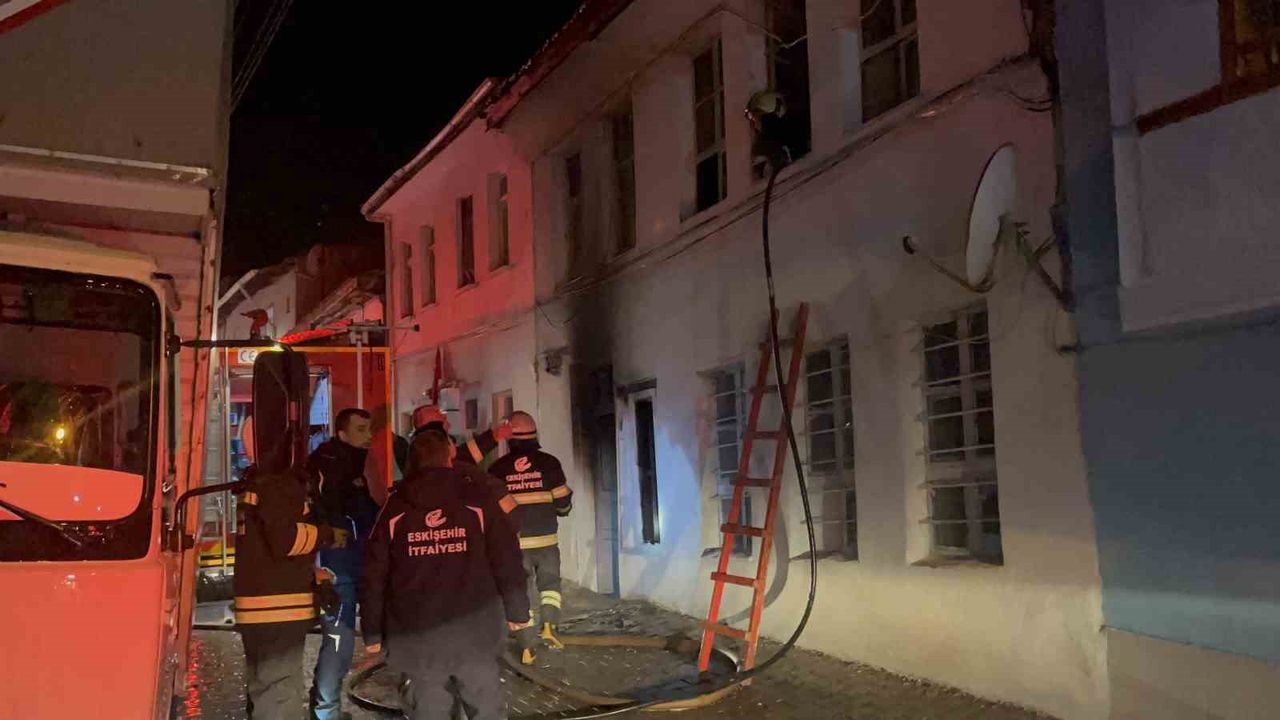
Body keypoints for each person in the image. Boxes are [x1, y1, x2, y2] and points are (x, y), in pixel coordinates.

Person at [362, 429, 531, 720]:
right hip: (475, 632)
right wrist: (518, 612)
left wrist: (373, 633)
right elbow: (506, 557)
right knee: (486, 709)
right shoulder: (477, 499)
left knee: (429, 709)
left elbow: (374, 574)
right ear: (449, 457)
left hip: (417, 636)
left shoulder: (395, 508)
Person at [235, 466, 347, 720]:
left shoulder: (259, 484)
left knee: (266, 688)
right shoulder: (278, 484)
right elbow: (284, 539)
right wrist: (326, 535)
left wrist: (311, 573)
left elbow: (267, 547)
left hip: (261, 607)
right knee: (280, 692)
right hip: (277, 608)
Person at [306, 408, 378, 720]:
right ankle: (326, 711)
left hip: (358, 563)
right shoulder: (327, 464)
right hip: (337, 566)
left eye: (369, 429)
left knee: (342, 641)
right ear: (342, 432)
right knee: (339, 641)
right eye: (361, 429)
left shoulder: (359, 463)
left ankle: (324, 707)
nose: (369, 436)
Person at [486, 411, 573, 663]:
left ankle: (526, 646)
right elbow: (563, 503)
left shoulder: (497, 468)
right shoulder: (550, 463)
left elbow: (492, 510)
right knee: (550, 585)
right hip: (546, 541)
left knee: (518, 591)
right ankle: (549, 629)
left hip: (514, 545)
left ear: (509, 439)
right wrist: (562, 510)